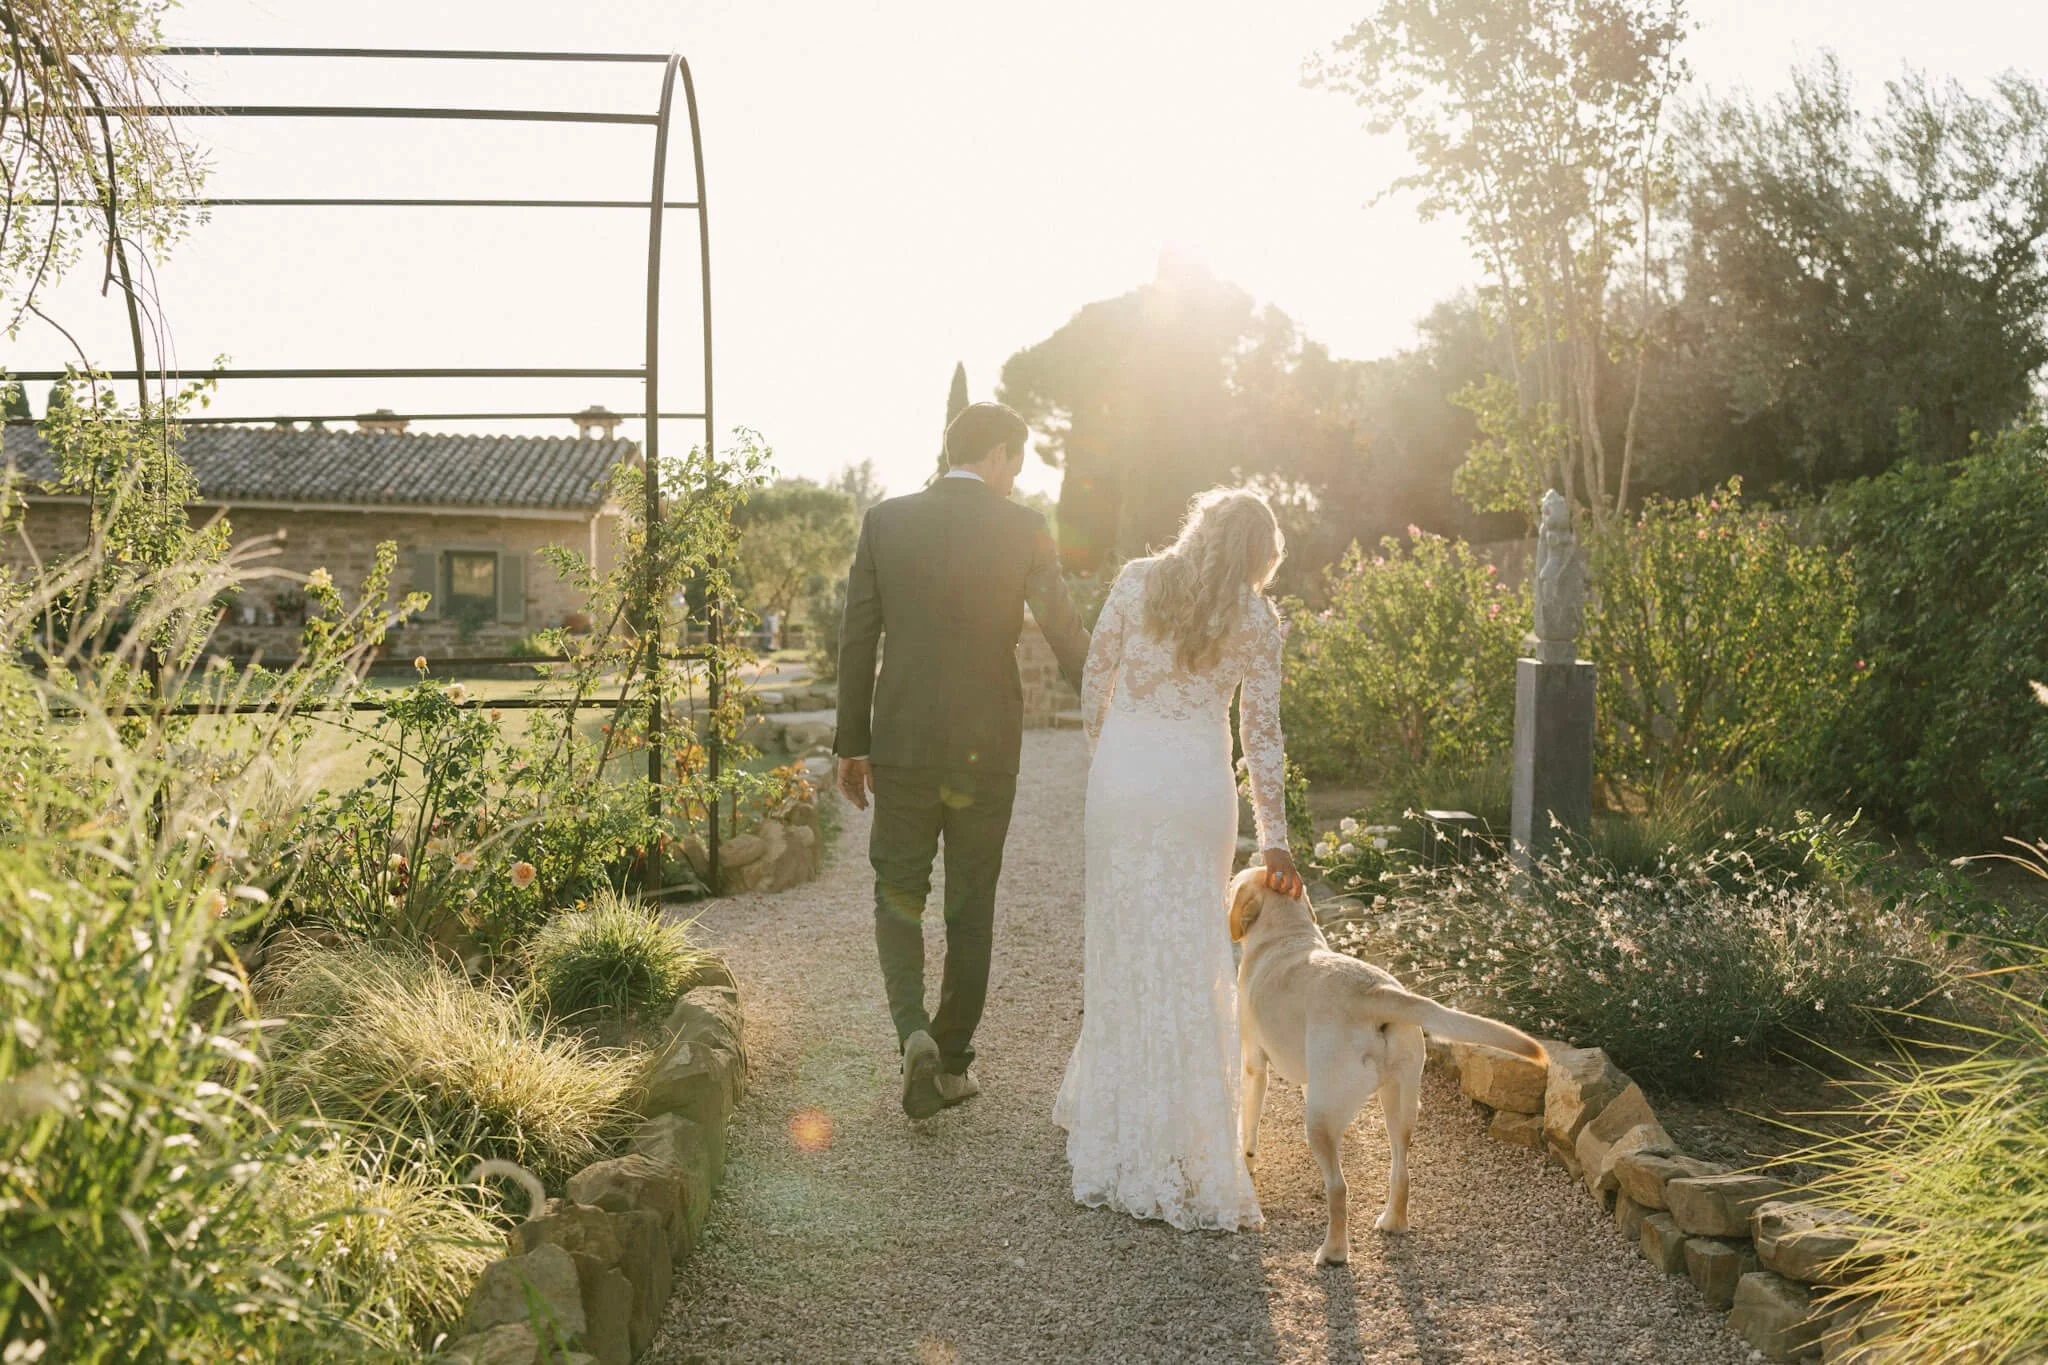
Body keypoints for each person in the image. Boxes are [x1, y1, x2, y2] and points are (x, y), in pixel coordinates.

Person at [1051, 488, 1303, 1231]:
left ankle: (1122, 1111)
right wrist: (1275, 836)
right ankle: (1187, 1130)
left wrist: (1114, 761)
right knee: (1195, 949)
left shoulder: (1136, 580)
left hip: (1125, 780)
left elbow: (1094, 683)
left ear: (1197, 529)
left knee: (1123, 940)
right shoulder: (1256, 619)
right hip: (1197, 786)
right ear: (1259, 555)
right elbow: (1262, 738)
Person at [834, 402, 1090, 1120]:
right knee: (971, 906)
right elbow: (1066, 635)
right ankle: (950, 1063)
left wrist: (853, 741)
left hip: (905, 745)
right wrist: (1114, 705)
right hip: (988, 751)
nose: (1017, 476)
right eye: (1018, 461)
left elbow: (857, 639)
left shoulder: (885, 521)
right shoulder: (1024, 528)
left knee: (898, 892)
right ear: (1001, 453)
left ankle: (911, 1030)